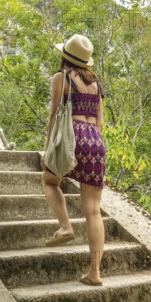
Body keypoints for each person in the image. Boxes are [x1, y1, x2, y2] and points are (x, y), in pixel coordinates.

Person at [40, 34, 106, 286]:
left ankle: (65, 226)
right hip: (96, 142)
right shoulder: (96, 83)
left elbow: (55, 115)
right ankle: (95, 273)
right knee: (93, 210)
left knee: (49, 181)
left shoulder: (62, 77)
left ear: (64, 56)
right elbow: (99, 122)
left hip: (73, 136)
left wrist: (48, 151)